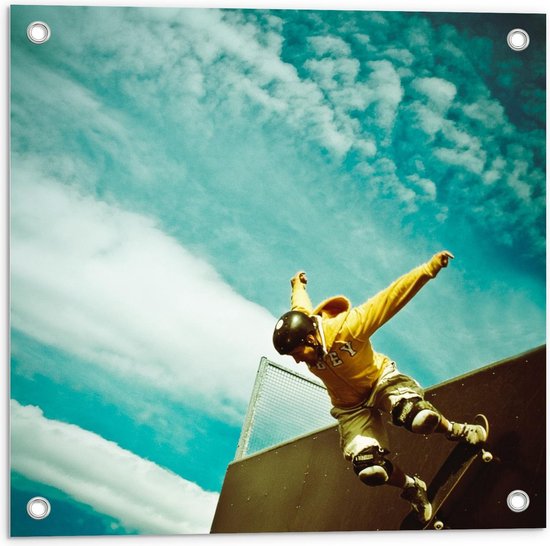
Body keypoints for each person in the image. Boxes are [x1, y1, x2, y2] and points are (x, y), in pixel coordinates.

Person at [272, 251, 487, 523]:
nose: (298, 360)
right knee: (368, 468)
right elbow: (300, 308)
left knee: (417, 417)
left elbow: (390, 299)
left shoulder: (349, 327)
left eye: (298, 352)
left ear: (312, 337)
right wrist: (297, 285)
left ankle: (457, 430)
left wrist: (429, 269)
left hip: (380, 381)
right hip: (349, 407)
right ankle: (412, 487)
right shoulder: (303, 330)